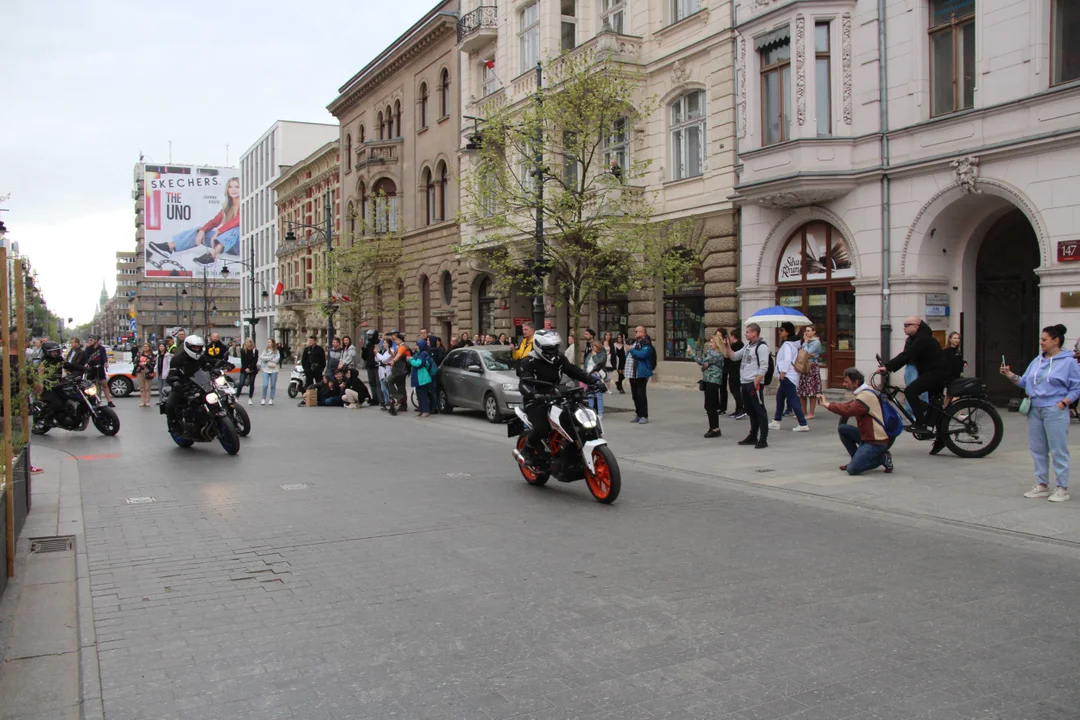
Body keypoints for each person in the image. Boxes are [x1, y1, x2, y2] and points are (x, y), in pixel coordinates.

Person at [1001, 324, 1080, 503]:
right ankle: (1042, 484)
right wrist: (1010, 375)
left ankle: (1062, 487)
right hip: (1034, 408)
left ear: (1056, 340)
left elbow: (1077, 387)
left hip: (1054, 409)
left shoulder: (1068, 362)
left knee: (1058, 449)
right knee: (1037, 448)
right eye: (1041, 340)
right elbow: (1025, 381)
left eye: (1044, 340)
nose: (1041, 343)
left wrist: (1063, 403)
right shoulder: (1037, 360)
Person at [517, 330, 605, 465]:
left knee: (577, 417)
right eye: (548, 349)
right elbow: (524, 383)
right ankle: (527, 451)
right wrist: (535, 394)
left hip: (556, 394)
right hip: (535, 400)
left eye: (555, 348)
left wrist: (593, 381)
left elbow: (573, 370)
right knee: (542, 428)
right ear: (538, 346)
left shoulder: (559, 358)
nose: (552, 351)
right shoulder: (528, 362)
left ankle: (573, 447)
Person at [878, 316, 951, 454]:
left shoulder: (922, 339)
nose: (904, 327)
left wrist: (887, 367)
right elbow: (907, 355)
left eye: (907, 325)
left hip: (937, 373)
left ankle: (921, 423)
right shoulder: (917, 338)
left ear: (916, 326)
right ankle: (941, 438)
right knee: (935, 405)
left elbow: (907, 355)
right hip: (934, 372)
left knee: (910, 391)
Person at [817, 368, 895, 475]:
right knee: (843, 429)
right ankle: (856, 458)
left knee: (852, 470)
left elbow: (848, 410)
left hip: (875, 442)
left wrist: (828, 405)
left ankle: (882, 458)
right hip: (867, 437)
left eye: (846, 382)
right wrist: (828, 404)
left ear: (856, 383)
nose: (844, 384)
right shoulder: (862, 393)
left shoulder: (865, 395)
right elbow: (847, 405)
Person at [148, 177, 241, 266]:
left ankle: (212, 256)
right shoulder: (227, 208)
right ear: (227, 189)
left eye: (237, 187)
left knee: (237, 228)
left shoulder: (245, 204)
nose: (233, 189)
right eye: (230, 186)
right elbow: (214, 222)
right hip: (227, 245)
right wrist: (202, 230)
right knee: (199, 231)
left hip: (240, 246)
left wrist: (218, 231)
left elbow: (238, 220)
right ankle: (169, 247)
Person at [719, 323, 770, 449]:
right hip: (745, 382)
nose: (745, 334)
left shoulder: (761, 347)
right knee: (750, 411)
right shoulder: (748, 346)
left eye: (747, 332)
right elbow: (734, 356)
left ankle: (763, 438)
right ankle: (753, 435)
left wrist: (755, 383)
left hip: (753, 383)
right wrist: (727, 346)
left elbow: (764, 367)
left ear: (754, 333)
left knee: (759, 411)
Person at [164, 335, 213, 429]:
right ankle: (173, 424)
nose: (197, 349)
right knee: (170, 404)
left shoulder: (201, 357)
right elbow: (171, 374)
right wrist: (175, 382)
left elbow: (207, 367)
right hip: (183, 385)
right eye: (194, 347)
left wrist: (215, 370)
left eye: (198, 347)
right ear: (188, 346)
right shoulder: (177, 359)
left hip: (200, 384)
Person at [770, 322, 809, 432]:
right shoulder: (792, 343)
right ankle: (776, 421)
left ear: (787, 332)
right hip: (790, 375)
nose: (779, 332)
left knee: (793, 399)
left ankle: (803, 423)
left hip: (788, 375)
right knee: (780, 397)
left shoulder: (787, 344)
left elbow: (787, 359)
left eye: (781, 330)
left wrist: (783, 372)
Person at [694, 335, 725, 438]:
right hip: (707, 380)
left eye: (712, 342)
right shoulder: (710, 353)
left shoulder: (717, 355)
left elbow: (702, 361)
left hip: (714, 381)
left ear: (717, 344)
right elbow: (704, 365)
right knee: (709, 405)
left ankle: (715, 428)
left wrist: (691, 353)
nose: (710, 344)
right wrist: (705, 366)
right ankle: (713, 427)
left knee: (709, 405)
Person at [626, 326, 656, 424]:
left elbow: (642, 355)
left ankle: (644, 415)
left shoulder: (647, 344)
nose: (635, 333)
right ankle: (638, 414)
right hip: (632, 373)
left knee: (641, 394)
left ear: (643, 332)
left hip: (642, 373)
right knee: (634, 395)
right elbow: (629, 355)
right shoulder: (634, 343)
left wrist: (631, 350)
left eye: (637, 331)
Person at [718, 329, 745, 419]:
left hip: (736, 371)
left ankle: (741, 409)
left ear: (733, 337)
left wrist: (726, 345)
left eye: (731, 336)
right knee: (734, 390)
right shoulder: (738, 345)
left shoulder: (738, 345)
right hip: (734, 370)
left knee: (735, 390)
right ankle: (738, 409)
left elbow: (727, 354)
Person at [798, 325, 823, 418]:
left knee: (811, 391)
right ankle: (803, 412)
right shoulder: (807, 342)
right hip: (803, 366)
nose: (806, 333)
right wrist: (805, 346)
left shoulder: (816, 342)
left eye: (809, 331)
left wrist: (805, 343)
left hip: (811, 366)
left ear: (814, 332)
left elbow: (806, 352)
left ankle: (811, 413)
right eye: (806, 331)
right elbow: (802, 353)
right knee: (802, 391)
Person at [408, 338, 437, 417]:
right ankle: (421, 410)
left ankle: (426, 411)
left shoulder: (423, 354)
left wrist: (410, 360)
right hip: (418, 378)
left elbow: (418, 363)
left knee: (423, 395)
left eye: (417, 345)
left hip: (422, 378)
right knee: (419, 395)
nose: (415, 346)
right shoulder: (418, 353)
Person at [84, 336, 114, 407]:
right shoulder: (88, 349)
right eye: (89, 340)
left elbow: (104, 357)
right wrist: (86, 364)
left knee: (104, 384)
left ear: (96, 340)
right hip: (91, 369)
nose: (90, 341)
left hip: (99, 368)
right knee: (89, 385)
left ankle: (109, 401)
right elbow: (86, 358)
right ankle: (90, 400)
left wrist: (105, 363)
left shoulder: (101, 348)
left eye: (91, 340)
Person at [583, 337, 607, 417]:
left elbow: (599, 364)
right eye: (591, 347)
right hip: (588, 375)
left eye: (593, 346)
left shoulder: (602, 355)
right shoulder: (589, 354)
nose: (592, 348)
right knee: (590, 394)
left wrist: (594, 356)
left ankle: (600, 413)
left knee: (598, 395)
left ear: (597, 347)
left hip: (597, 375)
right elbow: (585, 364)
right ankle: (591, 412)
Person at [360, 330, 383, 407]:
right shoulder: (368, 344)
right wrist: (363, 349)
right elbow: (364, 357)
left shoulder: (378, 343)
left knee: (378, 383)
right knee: (372, 383)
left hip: (377, 366)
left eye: (370, 336)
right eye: (368, 336)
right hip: (369, 366)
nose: (369, 337)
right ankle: (374, 398)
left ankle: (380, 399)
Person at [258, 339, 279, 405]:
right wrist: (270, 358)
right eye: (268, 342)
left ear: (273, 343)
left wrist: (267, 358)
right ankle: (263, 398)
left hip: (274, 369)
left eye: (270, 342)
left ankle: (271, 399)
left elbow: (277, 360)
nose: (268, 343)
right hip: (266, 369)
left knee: (273, 385)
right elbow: (261, 357)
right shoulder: (265, 350)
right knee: (265, 385)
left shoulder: (276, 351)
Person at [133, 342, 155, 407]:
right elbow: (135, 361)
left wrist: (146, 363)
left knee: (147, 387)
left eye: (146, 346)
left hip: (148, 372)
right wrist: (139, 363)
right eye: (144, 346)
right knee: (142, 388)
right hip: (140, 371)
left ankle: (147, 401)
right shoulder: (139, 354)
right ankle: (142, 401)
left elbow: (153, 363)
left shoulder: (152, 355)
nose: (145, 347)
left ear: (149, 347)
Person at [375, 339, 394, 412]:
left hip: (386, 371)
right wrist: (376, 354)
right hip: (381, 371)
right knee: (383, 388)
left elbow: (383, 360)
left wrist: (377, 353)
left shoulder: (390, 351)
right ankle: (387, 402)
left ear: (389, 344)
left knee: (386, 388)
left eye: (385, 343)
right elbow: (377, 360)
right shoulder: (384, 351)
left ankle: (389, 402)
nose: (383, 344)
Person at [238, 339, 258, 405]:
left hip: (252, 369)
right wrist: (246, 368)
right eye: (245, 342)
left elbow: (255, 361)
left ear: (251, 343)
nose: (246, 343)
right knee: (241, 383)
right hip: (244, 369)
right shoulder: (243, 350)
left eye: (247, 342)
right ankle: (237, 397)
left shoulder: (255, 351)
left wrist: (250, 368)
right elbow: (243, 361)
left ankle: (250, 398)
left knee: (251, 383)